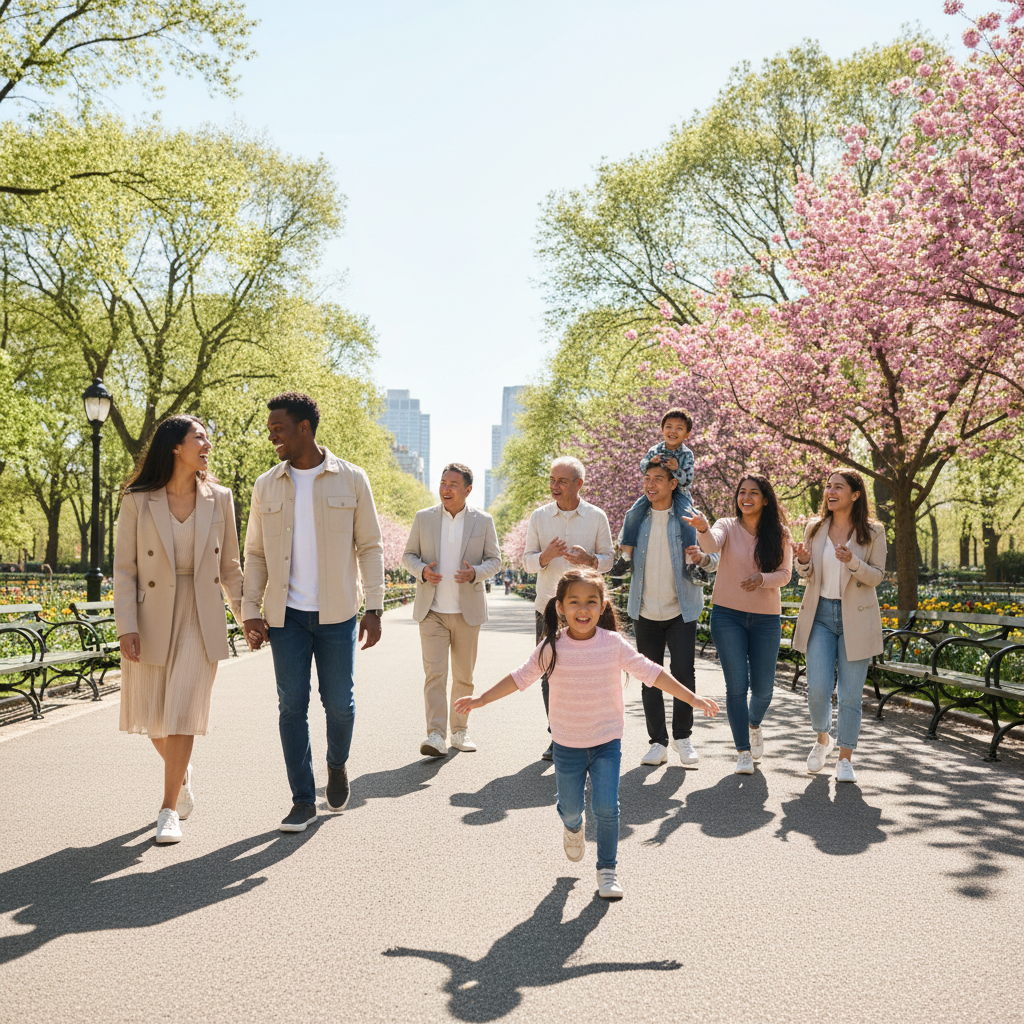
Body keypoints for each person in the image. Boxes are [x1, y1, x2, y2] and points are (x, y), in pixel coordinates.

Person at [454, 568, 719, 898]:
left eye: (591, 601)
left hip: (607, 740)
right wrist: (481, 699)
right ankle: (571, 826)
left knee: (607, 807)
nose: (583, 609)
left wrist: (691, 698)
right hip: (567, 744)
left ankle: (607, 869)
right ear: (560, 607)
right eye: (574, 602)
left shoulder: (613, 644)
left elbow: (653, 673)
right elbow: (518, 678)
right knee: (571, 809)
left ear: (603, 605)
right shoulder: (551, 647)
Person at [242, 392, 384, 833]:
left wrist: (375, 606)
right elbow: (256, 553)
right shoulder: (266, 484)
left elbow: (371, 546)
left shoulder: (352, 479)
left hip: (337, 613)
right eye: (270, 431)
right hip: (286, 617)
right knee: (292, 706)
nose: (272, 438)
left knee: (339, 704)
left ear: (304, 427)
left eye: (278, 429)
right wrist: (250, 610)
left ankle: (336, 763)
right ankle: (302, 799)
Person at [113, 415, 244, 844]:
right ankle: (181, 773)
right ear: (175, 446)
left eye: (207, 437)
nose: (207, 444)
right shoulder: (137, 499)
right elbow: (125, 570)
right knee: (154, 719)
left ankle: (167, 809)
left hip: (199, 612)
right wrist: (125, 626)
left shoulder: (220, 498)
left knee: (184, 710)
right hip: (151, 614)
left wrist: (249, 619)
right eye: (199, 437)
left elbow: (231, 569)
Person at [688, 474, 792, 775]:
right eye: (742, 492)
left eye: (753, 493)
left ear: (765, 499)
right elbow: (710, 545)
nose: (746, 497)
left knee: (764, 690)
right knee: (737, 686)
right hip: (727, 615)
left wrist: (763, 579)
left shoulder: (781, 533)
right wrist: (703, 528)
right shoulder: (726, 526)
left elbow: (785, 574)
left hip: (766, 618)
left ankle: (754, 722)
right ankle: (743, 751)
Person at [792, 471, 887, 784]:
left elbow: (877, 576)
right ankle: (823, 739)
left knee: (850, 695)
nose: (830, 492)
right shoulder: (815, 527)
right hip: (820, 615)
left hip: (856, 620)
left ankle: (845, 758)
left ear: (855, 494)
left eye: (838, 487)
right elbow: (806, 574)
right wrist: (803, 561)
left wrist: (853, 562)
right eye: (828, 487)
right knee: (817, 689)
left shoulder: (873, 531)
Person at [402, 463, 502, 757]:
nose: (446, 489)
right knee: (435, 674)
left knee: (463, 676)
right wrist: (421, 571)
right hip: (431, 610)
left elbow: (495, 561)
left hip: (467, 613)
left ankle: (459, 731)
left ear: (468, 490)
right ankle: (435, 734)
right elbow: (408, 555)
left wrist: (475, 573)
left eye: (453, 485)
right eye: (443, 483)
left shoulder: (483, 521)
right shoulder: (424, 518)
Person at [625, 461, 719, 767]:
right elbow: (623, 554)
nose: (650, 484)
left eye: (658, 479)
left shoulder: (688, 520)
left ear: (672, 484)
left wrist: (702, 558)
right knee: (649, 679)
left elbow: (713, 560)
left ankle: (683, 737)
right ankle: (657, 743)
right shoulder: (637, 520)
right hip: (645, 610)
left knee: (683, 673)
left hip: (681, 609)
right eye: (647, 479)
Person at [523, 457, 614, 760]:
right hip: (549, 608)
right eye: (551, 480)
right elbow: (527, 562)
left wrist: (590, 561)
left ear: (579, 484)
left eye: (562, 481)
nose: (555, 486)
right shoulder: (539, 517)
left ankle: (593, 737)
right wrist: (545, 556)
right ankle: (558, 737)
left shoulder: (596, 517)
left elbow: (609, 559)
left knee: (592, 674)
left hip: (588, 611)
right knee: (550, 673)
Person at [612, 408, 707, 584]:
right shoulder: (655, 449)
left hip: (680, 494)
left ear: (687, 434)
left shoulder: (687, 454)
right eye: (668, 426)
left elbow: (687, 481)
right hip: (655, 492)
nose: (673, 431)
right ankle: (625, 557)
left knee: (687, 517)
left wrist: (676, 469)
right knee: (632, 513)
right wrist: (651, 463)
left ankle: (691, 562)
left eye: (679, 428)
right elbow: (642, 468)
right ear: (662, 429)